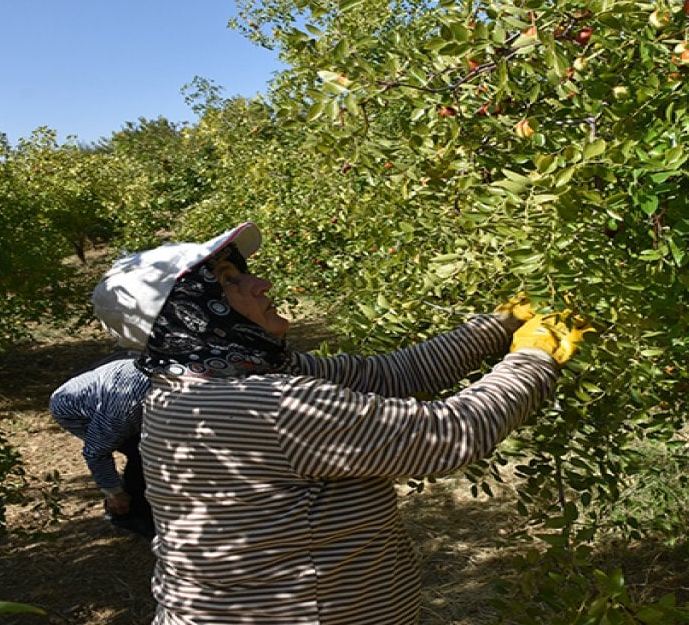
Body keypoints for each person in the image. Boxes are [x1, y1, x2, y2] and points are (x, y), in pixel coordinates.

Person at [89, 222, 584, 624]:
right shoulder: (266, 404)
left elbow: (393, 373)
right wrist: (533, 359)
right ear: (191, 313)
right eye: (226, 280)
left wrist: (498, 324)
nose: (259, 284)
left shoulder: (194, 384)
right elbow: (451, 432)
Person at [48, 351, 154, 538]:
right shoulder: (124, 407)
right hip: (77, 408)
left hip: (111, 382)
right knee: (142, 454)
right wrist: (113, 492)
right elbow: (96, 452)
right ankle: (127, 513)